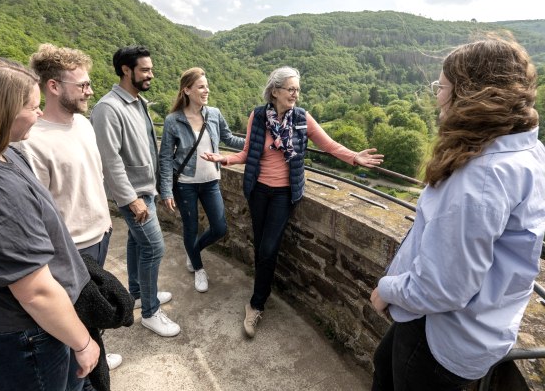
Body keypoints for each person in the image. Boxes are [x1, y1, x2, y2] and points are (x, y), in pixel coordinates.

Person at [369, 36, 545, 390]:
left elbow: (443, 289)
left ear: (470, 94)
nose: (437, 96)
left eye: (442, 87)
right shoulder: (528, 150)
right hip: (480, 324)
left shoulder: (479, 178)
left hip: (443, 334)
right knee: (382, 363)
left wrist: (386, 290)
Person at [203, 66, 384, 338]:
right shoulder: (259, 116)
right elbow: (246, 153)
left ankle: (255, 305)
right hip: (257, 191)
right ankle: (261, 290)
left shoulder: (302, 119)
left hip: (284, 195)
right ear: (274, 91)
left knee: (267, 248)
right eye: (291, 89)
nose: (295, 94)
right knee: (261, 244)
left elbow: (329, 145)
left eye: (297, 89)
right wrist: (224, 159)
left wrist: (354, 157)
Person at [0, 57, 100, 390]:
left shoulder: (8, 151)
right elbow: (34, 291)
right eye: (32, 108)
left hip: (36, 326)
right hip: (25, 335)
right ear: (0, 113)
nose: (39, 113)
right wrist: (83, 342)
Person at [17, 44, 123, 377]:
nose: (90, 90)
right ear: (53, 87)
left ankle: (96, 354)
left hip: (100, 233)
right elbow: (35, 211)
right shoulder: (31, 141)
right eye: (82, 85)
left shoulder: (84, 124)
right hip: (71, 246)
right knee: (70, 320)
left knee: (90, 312)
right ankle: (88, 368)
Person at [90, 45, 179, 338]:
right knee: (154, 248)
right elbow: (110, 159)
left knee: (138, 244)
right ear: (126, 70)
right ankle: (151, 313)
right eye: (145, 69)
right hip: (134, 195)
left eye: (150, 69)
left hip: (146, 189)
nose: (151, 74)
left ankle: (139, 295)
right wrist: (131, 200)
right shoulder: (108, 108)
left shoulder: (138, 101)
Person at [159, 67, 245, 293]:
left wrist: (254, 143)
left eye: (206, 86)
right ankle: (198, 268)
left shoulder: (214, 114)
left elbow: (228, 138)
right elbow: (166, 157)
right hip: (185, 183)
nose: (206, 90)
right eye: (201, 87)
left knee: (219, 227)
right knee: (191, 227)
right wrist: (166, 190)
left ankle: (193, 251)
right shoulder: (173, 120)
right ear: (187, 90)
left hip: (211, 181)